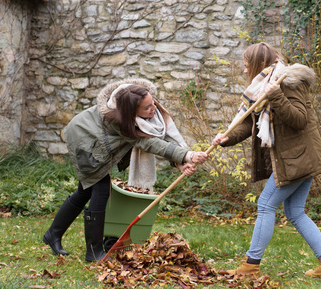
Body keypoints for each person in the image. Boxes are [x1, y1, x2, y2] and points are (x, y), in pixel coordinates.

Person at [212, 42, 321, 281]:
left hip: (298, 159)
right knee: (295, 212)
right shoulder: (262, 86)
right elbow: (250, 122)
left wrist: (276, 95)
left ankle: (251, 265)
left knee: (265, 205)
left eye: (246, 65)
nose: (244, 71)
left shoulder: (286, 83)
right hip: (298, 158)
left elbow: (300, 120)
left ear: (259, 64)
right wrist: (226, 138)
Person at [43, 78, 209, 263]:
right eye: (147, 108)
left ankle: (53, 235)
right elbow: (150, 142)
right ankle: (93, 252)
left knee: (85, 191)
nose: (153, 109)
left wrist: (181, 160)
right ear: (132, 113)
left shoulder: (140, 101)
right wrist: (187, 155)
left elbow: (162, 136)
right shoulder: (121, 121)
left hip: (94, 137)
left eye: (152, 103)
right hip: (85, 140)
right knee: (99, 187)